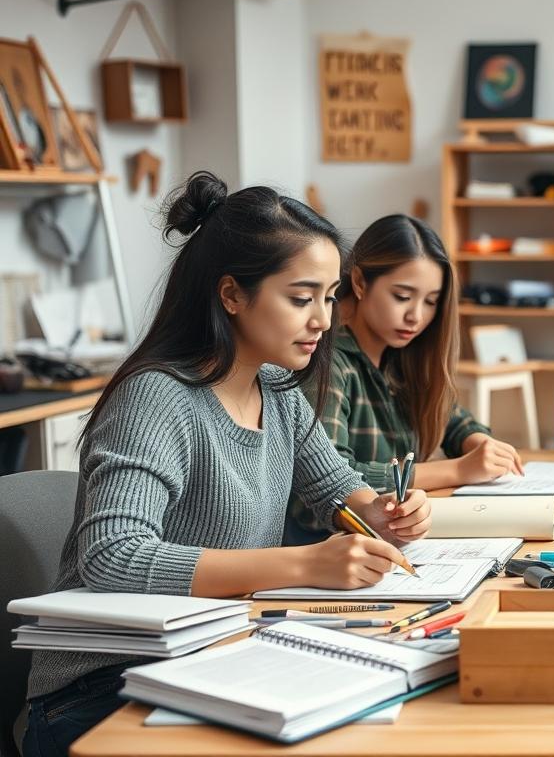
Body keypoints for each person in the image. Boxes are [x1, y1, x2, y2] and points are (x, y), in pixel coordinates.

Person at [22, 172, 432, 756]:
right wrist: (301, 565)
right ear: (232, 294)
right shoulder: (158, 399)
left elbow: (339, 490)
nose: (322, 319)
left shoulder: (278, 389)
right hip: (103, 689)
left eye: (330, 296)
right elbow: (112, 556)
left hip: (213, 659)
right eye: (300, 298)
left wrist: (385, 513)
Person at [288, 214, 522, 543]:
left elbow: (451, 418)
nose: (416, 316)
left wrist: (479, 444)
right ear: (359, 283)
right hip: (331, 552)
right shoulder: (328, 364)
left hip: (393, 542)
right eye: (402, 296)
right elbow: (328, 479)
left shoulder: (400, 354)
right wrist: (458, 470)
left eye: (430, 302)